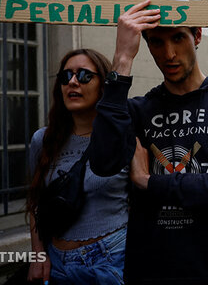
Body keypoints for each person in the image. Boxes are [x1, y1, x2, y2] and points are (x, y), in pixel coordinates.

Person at [88, 0, 208, 284]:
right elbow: (103, 162)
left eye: (178, 37)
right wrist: (122, 59)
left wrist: (149, 181)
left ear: (197, 35)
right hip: (153, 268)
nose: (168, 54)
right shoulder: (138, 110)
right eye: (156, 42)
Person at [27, 49, 128, 285]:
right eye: (66, 76)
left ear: (103, 85)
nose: (72, 82)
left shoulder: (122, 138)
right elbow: (35, 202)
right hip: (58, 264)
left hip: (112, 261)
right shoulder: (43, 140)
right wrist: (38, 253)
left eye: (83, 76)